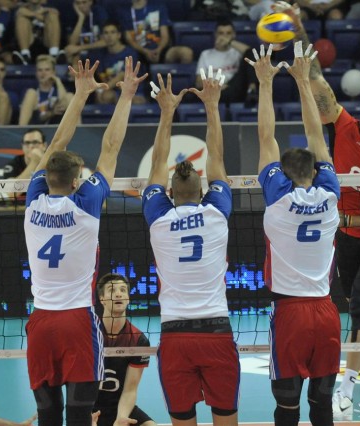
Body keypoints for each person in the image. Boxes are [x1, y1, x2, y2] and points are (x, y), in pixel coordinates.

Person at [276, 3, 360, 424]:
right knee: (356, 313)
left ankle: (359, 397)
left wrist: (350, 221)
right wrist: (298, 28)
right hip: (348, 241)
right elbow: (317, 84)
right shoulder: (346, 127)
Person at [24, 56, 147, 426]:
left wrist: (79, 95)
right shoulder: (87, 205)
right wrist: (126, 94)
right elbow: (110, 148)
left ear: (47, 176)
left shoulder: (32, 201)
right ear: (78, 180)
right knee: (80, 412)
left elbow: (57, 143)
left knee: (49, 413)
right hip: (77, 320)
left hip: (41, 320)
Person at [246, 41, 341, 426]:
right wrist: (303, 81)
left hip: (290, 314)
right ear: (315, 171)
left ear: (282, 176)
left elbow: (266, 137)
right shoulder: (331, 195)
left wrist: (266, 83)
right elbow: (317, 136)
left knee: (287, 408)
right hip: (326, 310)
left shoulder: (278, 200)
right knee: (322, 407)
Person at [141, 69, 239, 426]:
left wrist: (166, 111)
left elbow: (156, 164)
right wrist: (212, 105)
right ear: (203, 192)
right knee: (226, 418)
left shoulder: (158, 217)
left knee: (182, 420)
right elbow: (217, 160)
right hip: (216, 331)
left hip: (175, 334)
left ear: (169, 194)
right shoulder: (216, 213)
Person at [93, 273, 156, 426]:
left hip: (121, 406)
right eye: (112, 290)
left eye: (123, 290)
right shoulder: (90, 334)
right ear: (102, 299)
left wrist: (121, 418)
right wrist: (85, 414)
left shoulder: (138, 340)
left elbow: (130, 389)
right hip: (91, 407)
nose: (118, 293)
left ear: (128, 298)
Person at [195, 20, 254, 104]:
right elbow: (199, 82)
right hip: (215, 90)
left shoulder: (238, 52)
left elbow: (252, 53)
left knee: (251, 55)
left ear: (234, 35)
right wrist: (216, 85)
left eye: (228, 33)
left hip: (235, 87)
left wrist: (229, 42)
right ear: (215, 35)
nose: (224, 37)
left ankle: (252, 90)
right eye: (221, 33)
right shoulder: (206, 54)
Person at [86, 22, 146, 105]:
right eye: (106, 33)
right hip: (113, 92)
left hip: (133, 94)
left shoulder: (130, 53)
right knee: (105, 97)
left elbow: (121, 76)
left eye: (113, 32)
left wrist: (101, 90)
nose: (109, 36)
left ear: (119, 35)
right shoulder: (99, 55)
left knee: (134, 102)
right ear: (102, 37)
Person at [118, 0, 193, 66]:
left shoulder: (158, 7)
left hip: (159, 49)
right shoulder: (124, 12)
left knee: (186, 53)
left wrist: (159, 50)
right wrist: (145, 52)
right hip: (138, 52)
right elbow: (129, 39)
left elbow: (165, 35)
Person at [18, 54, 74, 125]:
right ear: (36, 73)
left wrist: (57, 81)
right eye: (40, 70)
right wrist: (51, 113)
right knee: (31, 93)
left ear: (53, 72)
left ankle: (80, 133)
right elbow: (38, 118)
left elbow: (63, 104)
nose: (43, 73)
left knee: (69, 96)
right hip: (35, 129)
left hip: (57, 128)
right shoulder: (32, 92)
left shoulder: (59, 90)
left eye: (47, 70)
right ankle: (21, 132)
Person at [11, 0, 63, 65]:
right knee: (22, 18)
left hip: (46, 45)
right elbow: (19, 12)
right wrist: (36, 14)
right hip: (29, 45)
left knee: (52, 16)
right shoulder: (19, 9)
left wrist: (39, 16)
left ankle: (54, 54)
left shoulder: (49, 9)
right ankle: (25, 56)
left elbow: (55, 13)